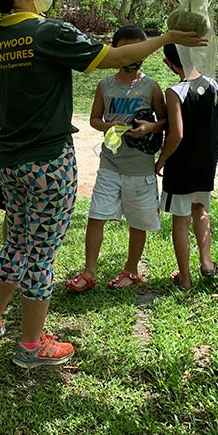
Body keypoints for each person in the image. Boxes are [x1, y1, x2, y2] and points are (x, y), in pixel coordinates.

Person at [0, 0, 206, 368]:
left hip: (11, 164)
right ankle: (31, 345)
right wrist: (165, 37)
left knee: (17, 244)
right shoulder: (46, 33)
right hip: (49, 165)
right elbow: (113, 57)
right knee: (40, 253)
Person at [64, 25, 167, 293]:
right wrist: (108, 126)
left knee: (137, 221)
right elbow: (94, 119)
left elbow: (165, 120)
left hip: (140, 167)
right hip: (109, 164)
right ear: (115, 51)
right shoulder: (105, 85)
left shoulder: (151, 87)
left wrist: (149, 128)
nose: (132, 56)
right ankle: (89, 272)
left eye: (138, 50)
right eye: (125, 50)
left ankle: (131, 270)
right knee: (96, 216)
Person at [155, 42, 218, 291]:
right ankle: (206, 263)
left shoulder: (175, 91)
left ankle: (184, 279)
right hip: (206, 163)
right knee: (200, 209)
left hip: (181, 165)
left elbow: (176, 134)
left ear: (169, 63)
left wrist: (161, 160)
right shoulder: (213, 85)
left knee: (181, 220)